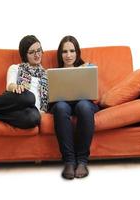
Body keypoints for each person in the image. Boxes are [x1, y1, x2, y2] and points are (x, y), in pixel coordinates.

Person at [50, 35, 99, 179]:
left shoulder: (87, 67)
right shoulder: (54, 73)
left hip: (84, 103)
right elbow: (50, 100)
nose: (68, 55)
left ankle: (82, 161)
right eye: (65, 52)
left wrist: (86, 70)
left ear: (77, 52)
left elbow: (93, 96)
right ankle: (69, 162)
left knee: (83, 106)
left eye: (72, 51)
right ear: (60, 54)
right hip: (62, 104)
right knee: (60, 107)